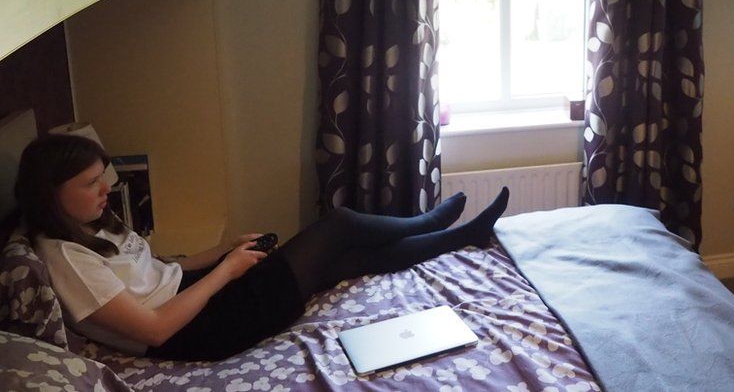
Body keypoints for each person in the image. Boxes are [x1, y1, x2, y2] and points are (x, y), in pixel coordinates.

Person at [13, 133, 508, 361]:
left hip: (192, 296)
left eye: (104, 179)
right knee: (337, 228)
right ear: (51, 193)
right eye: (91, 184)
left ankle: (454, 235)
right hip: (201, 331)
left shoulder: (88, 229)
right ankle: (430, 223)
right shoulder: (65, 259)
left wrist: (221, 251)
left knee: (342, 261)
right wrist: (226, 271)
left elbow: (159, 271)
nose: (105, 191)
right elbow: (157, 329)